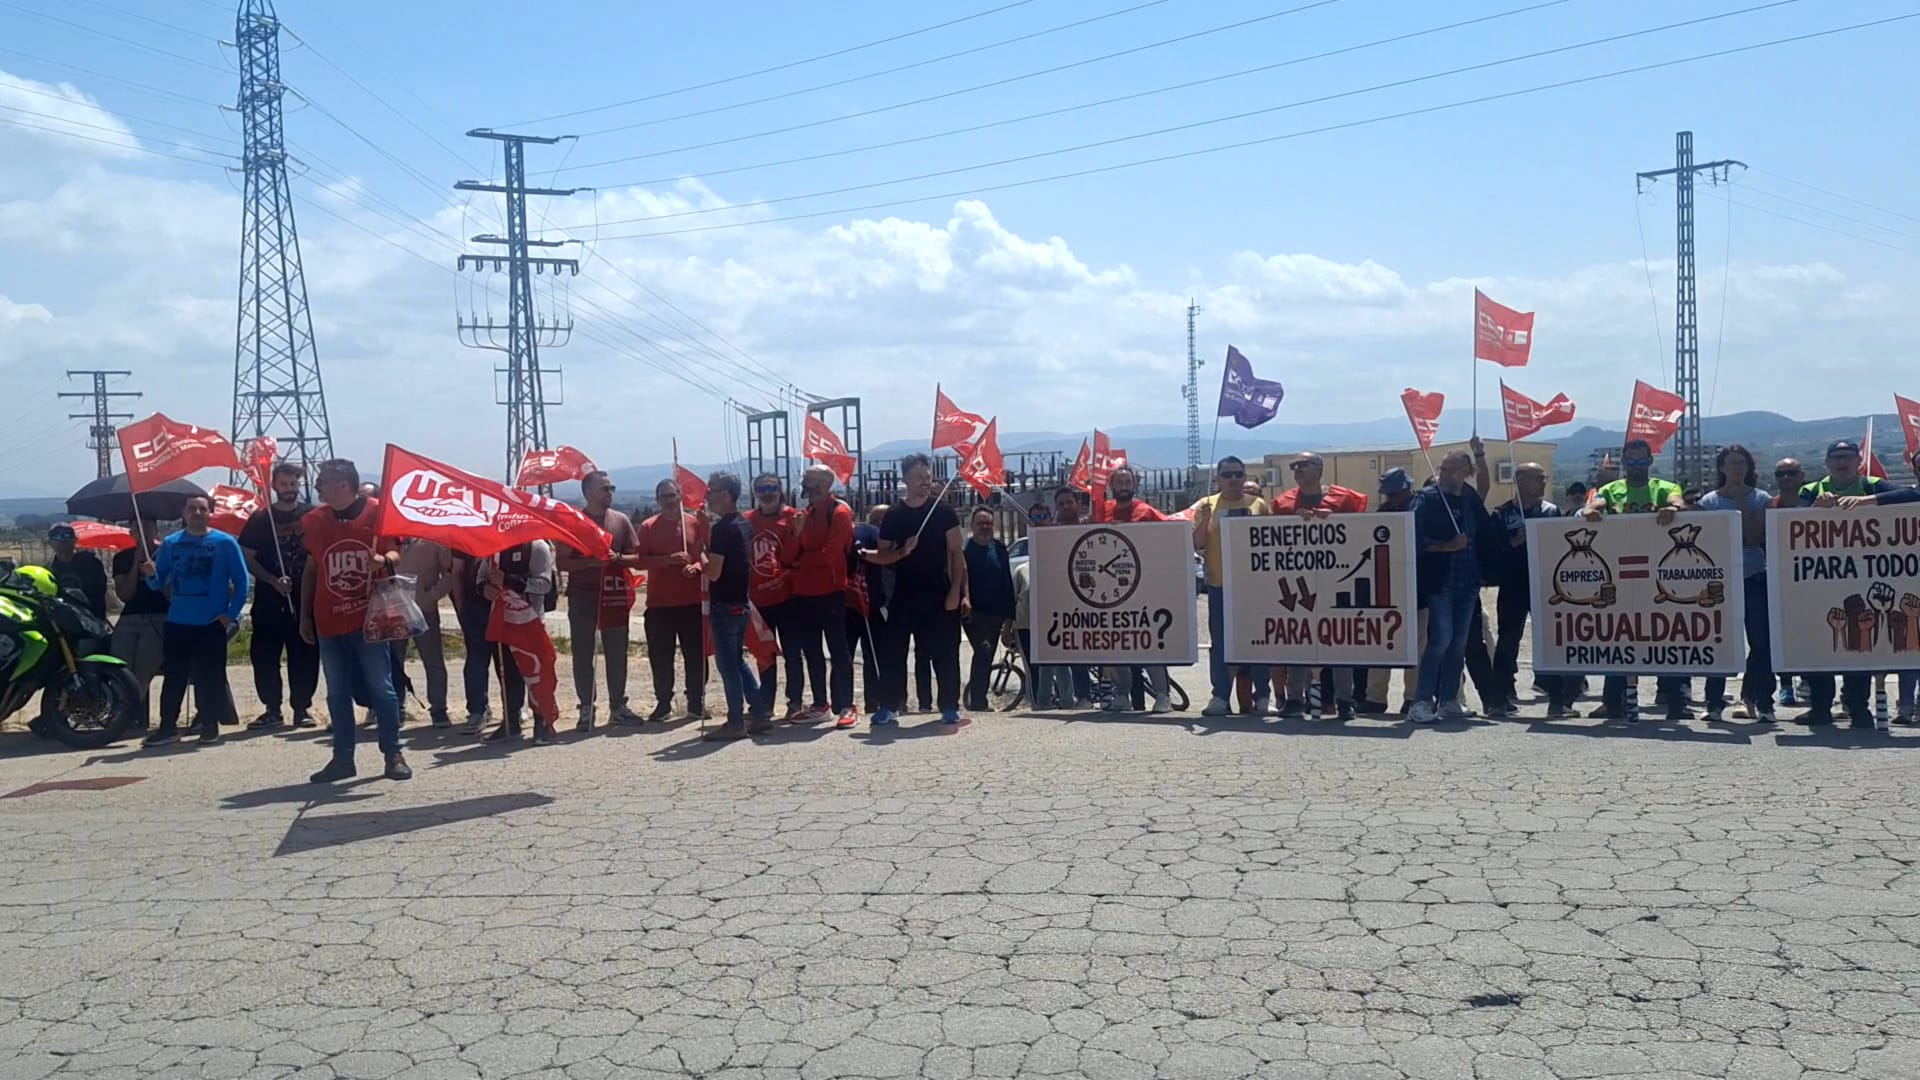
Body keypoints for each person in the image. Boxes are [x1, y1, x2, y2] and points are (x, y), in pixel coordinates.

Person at [301, 459, 409, 783]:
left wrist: (383, 560)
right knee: (337, 692)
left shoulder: (378, 513)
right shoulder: (316, 520)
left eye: (323, 481)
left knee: (382, 688)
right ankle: (342, 758)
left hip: (369, 620)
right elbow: (312, 569)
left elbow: (396, 553)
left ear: (344, 484)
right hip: (328, 621)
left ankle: (393, 753)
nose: (317, 486)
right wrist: (304, 615)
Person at [1582, 438, 1687, 721]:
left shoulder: (1664, 487)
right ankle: (1612, 701)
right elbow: (1595, 505)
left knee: (1666, 636)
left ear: (1650, 461)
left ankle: (1675, 700)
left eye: (1642, 461)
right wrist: (1591, 510)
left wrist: (1673, 510)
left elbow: (1678, 502)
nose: (1636, 466)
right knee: (1619, 636)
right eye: (1631, 461)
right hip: (1620, 574)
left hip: (1659, 576)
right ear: (1624, 462)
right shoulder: (1611, 489)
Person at [1797, 439, 1896, 728]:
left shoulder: (1873, 485)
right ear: (1827, 463)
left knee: (1859, 642)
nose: (1842, 462)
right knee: (1820, 643)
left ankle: (1858, 708)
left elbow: (1912, 496)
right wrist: (1813, 508)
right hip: (1821, 578)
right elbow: (1791, 519)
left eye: (1848, 457)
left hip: (1863, 577)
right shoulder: (1812, 489)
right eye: (1837, 457)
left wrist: (1868, 501)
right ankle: (1820, 707)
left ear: (1858, 461)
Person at [864, 453, 965, 725]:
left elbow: (957, 555)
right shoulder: (894, 515)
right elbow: (882, 555)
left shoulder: (943, 512)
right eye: (919, 477)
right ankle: (889, 705)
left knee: (944, 652)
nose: (925, 481)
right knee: (893, 651)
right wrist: (902, 552)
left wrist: (956, 591)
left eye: (928, 476)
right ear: (905, 479)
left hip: (938, 591)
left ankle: (949, 705)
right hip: (904, 592)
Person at [140, 494, 249, 747]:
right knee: (174, 677)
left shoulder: (225, 543)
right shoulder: (171, 543)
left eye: (202, 508)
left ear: (210, 513)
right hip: (178, 622)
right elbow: (157, 583)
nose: (197, 513)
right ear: (184, 513)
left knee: (210, 677)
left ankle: (209, 726)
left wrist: (230, 615)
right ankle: (168, 727)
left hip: (212, 623)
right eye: (192, 508)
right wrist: (150, 574)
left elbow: (242, 581)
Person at [1267, 452, 1367, 720]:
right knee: (1298, 638)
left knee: (1341, 641)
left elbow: (1362, 531)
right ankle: (1294, 699)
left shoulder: (1345, 499)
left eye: (1304, 465)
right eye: (1294, 467)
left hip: (1338, 580)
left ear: (1319, 469)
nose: (1298, 470)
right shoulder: (1283, 504)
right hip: (1299, 581)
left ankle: (1345, 700)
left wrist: (1335, 521)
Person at [556, 470, 643, 731]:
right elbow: (561, 562)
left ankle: (618, 705)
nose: (610, 493)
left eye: (611, 488)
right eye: (605, 488)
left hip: (614, 595)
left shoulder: (621, 521)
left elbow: (637, 557)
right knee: (583, 653)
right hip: (582, 596)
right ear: (588, 492)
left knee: (617, 652)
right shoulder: (574, 523)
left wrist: (619, 559)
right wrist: (589, 563)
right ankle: (586, 706)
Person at [1840, 445, 1920, 725]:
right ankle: (1907, 706)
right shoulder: (1908, 495)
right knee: (1911, 646)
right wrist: (1861, 502)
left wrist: (1866, 500)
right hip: (1910, 580)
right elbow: (1906, 495)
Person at [1409, 449, 1489, 724]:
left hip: (1468, 581)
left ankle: (1449, 699)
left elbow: (1483, 515)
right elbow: (1413, 537)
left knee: (1458, 643)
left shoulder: (1469, 496)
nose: (1445, 474)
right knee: (1440, 641)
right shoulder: (1427, 498)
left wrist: (1480, 454)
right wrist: (1446, 546)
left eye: (1452, 469)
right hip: (1440, 582)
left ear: (1466, 472)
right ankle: (1421, 701)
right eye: (1443, 469)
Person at [1697, 445, 1776, 724]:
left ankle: (1761, 700)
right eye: (1731, 463)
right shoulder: (1709, 502)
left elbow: (1754, 537)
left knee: (1761, 643)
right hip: (1720, 581)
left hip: (1753, 577)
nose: (1736, 468)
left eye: (1741, 463)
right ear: (1722, 468)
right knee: (1719, 640)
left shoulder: (1761, 498)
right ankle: (1714, 702)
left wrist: (1741, 502)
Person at [239, 462, 319, 730]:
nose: (289, 489)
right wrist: (272, 580)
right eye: (284, 484)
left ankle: (302, 708)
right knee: (264, 656)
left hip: (305, 599)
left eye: (294, 484)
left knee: (305, 654)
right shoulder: (261, 519)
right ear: (274, 485)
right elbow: (248, 557)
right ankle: (272, 709)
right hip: (269, 600)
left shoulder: (312, 515)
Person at [1487, 462, 1569, 718]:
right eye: (1537, 478)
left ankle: (1557, 700)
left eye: (1544, 477)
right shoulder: (1502, 514)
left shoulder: (1551, 511)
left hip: (1545, 584)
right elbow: (1491, 551)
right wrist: (1516, 540)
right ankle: (1499, 698)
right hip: (1513, 584)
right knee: (1508, 640)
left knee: (1551, 640)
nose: (1543, 482)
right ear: (1520, 481)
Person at [1194, 456, 1269, 717]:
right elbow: (1196, 544)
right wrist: (1204, 521)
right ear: (1218, 479)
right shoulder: (1206, 505)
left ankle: (1263, 696)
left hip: (1254, 587)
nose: (1233, 479)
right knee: (1220, 645)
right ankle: (1220, 696)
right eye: (1227, 475)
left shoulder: (1258, 504)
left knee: (1259, 641)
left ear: (1244, 476)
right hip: (1220, 585)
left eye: (1238, 474)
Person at [1097, 466, 1173, 714]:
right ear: (1112, 485)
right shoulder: (1102, 511)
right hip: (1112, 590)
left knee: (1149, 643)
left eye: (1127, 482)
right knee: (1116, 643)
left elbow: (1171, 534)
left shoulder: (1147, 511)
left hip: (1144, 588)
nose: (1123, 486)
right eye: (1119, 482)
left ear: (1135, 484)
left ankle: (1162, 695)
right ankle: (1121, 695)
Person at [633, 479, 710, 723]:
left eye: (672, 495)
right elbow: (639, 561)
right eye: (664, 496)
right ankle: (664, 702)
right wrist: (667, 560)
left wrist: (696, 567)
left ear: (680, 496)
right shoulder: (648, 527)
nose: (669, 500)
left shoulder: (694, 523)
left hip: (691, 602)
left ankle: (696, 701)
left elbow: (704, 555)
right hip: (660, 605)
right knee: (660, 656)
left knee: (696, 655)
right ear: (657, 500)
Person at [787, 465, 858, 728]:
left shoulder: (839, 513)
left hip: (831, 591)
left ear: (824, 485)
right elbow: (788, 556)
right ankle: (820, 704)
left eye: (809, 480)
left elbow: (829, 555)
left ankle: (847, 705)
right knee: (812, 651)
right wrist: (796, 533)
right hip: (803, 593)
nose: (804, 484)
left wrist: (800, 563)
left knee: (838, 650)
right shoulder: (804, 514)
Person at [699, 472, 765, 741]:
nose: (708, 496)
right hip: (740, 602)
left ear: (725, 494)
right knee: (737, 661)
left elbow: (713, 572)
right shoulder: (743, 523)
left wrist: (700, 555)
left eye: (711, 491)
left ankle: (736, 721)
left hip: (724, 605)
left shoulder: (722, 529)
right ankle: (759, 713)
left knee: (728, 667)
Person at [747, 473, 813, 723]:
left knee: (793, 654)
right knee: (765, 655)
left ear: (780, 489)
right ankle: (765, 703)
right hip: (758, 600)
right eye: (762, 489)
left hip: (788, 598)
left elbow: (799, 555)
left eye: (772, 488)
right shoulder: (748, 520)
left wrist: (797, 532)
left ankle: (794, 702)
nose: (767, 493)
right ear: (755, 493)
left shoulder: (795, 518)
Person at [482, 539, 561, 745]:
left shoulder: (537, 547)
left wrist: (508, 580)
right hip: (502, 621)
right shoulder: (494, 548)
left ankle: (542, 721)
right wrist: (486, 589)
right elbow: (481, 579)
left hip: (530, 621)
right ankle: (511, 721)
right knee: (507, 675)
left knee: (537, 674)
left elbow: (543, 584)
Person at [1358, 469, 1418, 714]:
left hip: (1417, 585)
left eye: (1395, 493)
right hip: (1385, 585)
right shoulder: (1383, 513)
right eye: (1389, 494)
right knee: (1380, 641)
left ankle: (1412, 697)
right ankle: (1375, 697)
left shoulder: (1420, 508)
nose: (1391, 498)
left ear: (1407, 489)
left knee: (1416, 643)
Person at [391, 538, 454, 727]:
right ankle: (396, 707)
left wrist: (430, 597)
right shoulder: (390, 536)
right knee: (394, 662)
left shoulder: (434, 538)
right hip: (394, 610)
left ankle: (439, 709)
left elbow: (449, 573)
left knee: (433, 661)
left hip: (425, 610)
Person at [110, 518, 166, 729]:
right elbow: (125, 594)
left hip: (158, 617)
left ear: (155, 529)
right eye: (137, 527)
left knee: (144, 666)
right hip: (130, 617)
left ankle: (124, 713)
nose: (143, 531)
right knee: (119, 664)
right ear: (131, 532)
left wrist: (154, 573)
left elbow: (170, 592)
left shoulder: (166, 553)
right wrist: (135, 564)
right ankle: (119, 709)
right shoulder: (122, 558)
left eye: (148, 526)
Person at [962, 506, 1015, 714]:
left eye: (988, 523)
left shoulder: (1000, 550)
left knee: (987, 655)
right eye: (980, 523)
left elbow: (1007, 584)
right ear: (972, 526)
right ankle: (977, 700)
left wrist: (1009, 621)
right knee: (983, 650)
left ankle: (978, 700)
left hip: (996, 615)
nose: (984, 527)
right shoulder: (965, 551)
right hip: (972, 614)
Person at [1770, 458, 1806, 709]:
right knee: (1780, 634)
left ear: (1802, 475)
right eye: (1780, 474)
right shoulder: (1770, 505)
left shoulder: (1813, 503)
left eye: (1791, 473)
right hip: (1778, 576)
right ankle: (1785, 686)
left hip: (1808, 578)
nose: (1786, 478)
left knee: (1808, 632)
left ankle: (1808, 681)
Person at [848, 504, 887, 714]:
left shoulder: (852, 533)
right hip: (870, 601)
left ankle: (841, 702)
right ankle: (874, 703)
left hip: (847, 601)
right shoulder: (875, 533)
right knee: (873, 656)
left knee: (844, 656)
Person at [42, 524, 107, 619]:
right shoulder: (47, 571)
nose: (62, 540)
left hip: (92, 618)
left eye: (67, 536)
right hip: (62, 621)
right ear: (50, 542)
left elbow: (100, 591)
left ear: (74, 540)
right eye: (57, 537)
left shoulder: (91, 563)